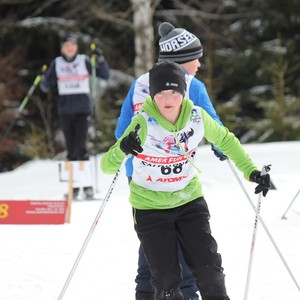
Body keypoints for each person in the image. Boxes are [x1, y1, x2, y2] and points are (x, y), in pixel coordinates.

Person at [101, 61, 271, 300]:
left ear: (182, 93)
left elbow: (227, 141)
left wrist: (252, 172)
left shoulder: (197, 118)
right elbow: (107, 166)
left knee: (209, 269)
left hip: (189, 201)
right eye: (160, 93)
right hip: (150, 208)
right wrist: (122, 148)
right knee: (166, 280)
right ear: (152, 95)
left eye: (174, 92)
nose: (167, 99)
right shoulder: (142, 123)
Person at [115, 22, 226, 300]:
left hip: (140, 175)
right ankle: (185, 294)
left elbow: (121, 132)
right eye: (194, 58)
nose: (199, 64)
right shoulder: (191, 86)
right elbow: (214, 125)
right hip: (175, 177)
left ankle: (146, 293)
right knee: (183, 240)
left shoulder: (141, 83)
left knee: (154, 241)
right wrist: (221, 148)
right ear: (181, 61)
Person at [40, 33, 110, 199]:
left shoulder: (84, 61)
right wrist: (42, 78)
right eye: (66, 45)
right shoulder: (57, 63)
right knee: (71, 150)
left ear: (76, 47)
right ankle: (74, 188)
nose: (69, 48)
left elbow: (104, 74)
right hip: (65, 111)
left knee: (82, 148)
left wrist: (99, 60)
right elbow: (45, 86)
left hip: (83, 110)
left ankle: (86, 187)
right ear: (62, 48)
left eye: (72, 45)